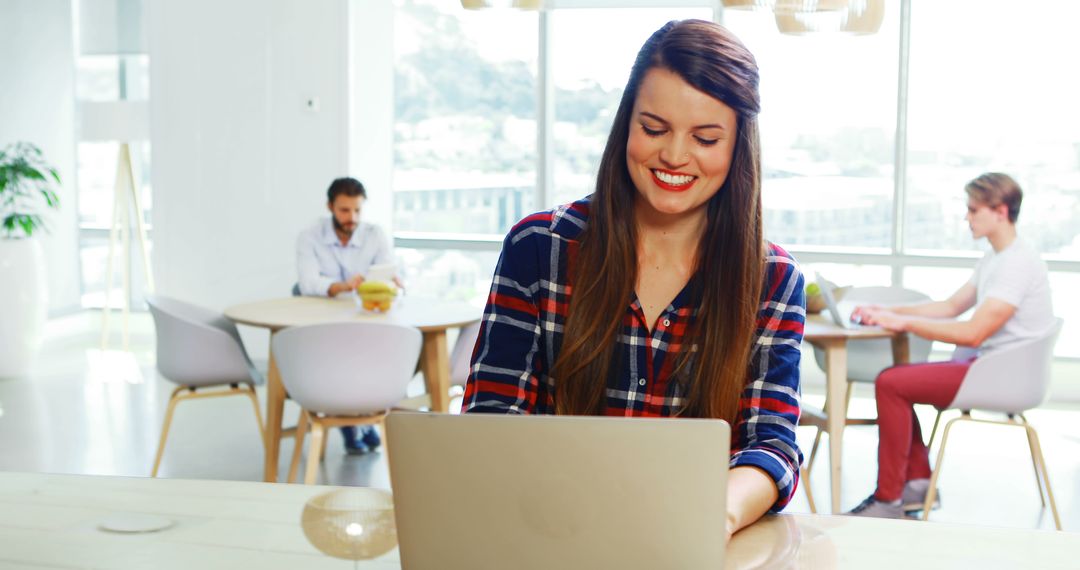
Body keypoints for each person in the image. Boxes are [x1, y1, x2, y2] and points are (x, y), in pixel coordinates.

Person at [461, 19, 805, 540]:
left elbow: (771, 445)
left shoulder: (773, 280)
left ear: (737, 147)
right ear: (627, 125)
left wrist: (718, 513)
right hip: (549, 533)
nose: (673, 156)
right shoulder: (539, 247)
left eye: (705, 138)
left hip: (690, 544)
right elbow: (492, 414)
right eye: (654, 128)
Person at [847, 172, 1055, 518]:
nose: (967, 217)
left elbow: (973, 332)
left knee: (891, 382)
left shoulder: (1017, 263)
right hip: (990, 367)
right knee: (895, 381)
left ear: (1000, 211)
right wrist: (888, 311)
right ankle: (915, 485)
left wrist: (904, 322)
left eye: (974, 210)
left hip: (1001, 375)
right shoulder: (996, 257)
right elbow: (950, 307)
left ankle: (889, 499)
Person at [296, 176, 393, 454]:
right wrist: (341, 286)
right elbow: (307, 283)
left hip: (366, 320)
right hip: (324, 323)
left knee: (372, 354)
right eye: (344, 210)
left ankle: (363, 420)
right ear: (330, 207)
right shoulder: (310, 236)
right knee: (340, 355)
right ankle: (355, 424)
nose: (352, 218)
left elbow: (387, 271)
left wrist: (391, 279)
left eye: (357, 210)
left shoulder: (374, 234)